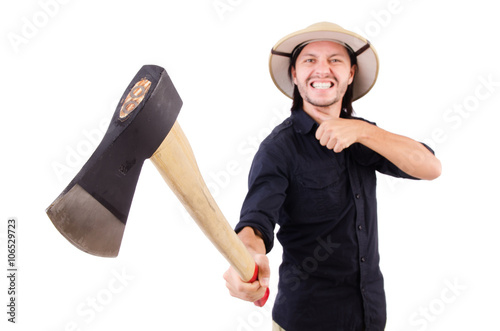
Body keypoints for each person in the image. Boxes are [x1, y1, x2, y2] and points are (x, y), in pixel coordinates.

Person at [223, 22, 441, 331]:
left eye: (335, 60)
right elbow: (255, 222)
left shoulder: (365, 137)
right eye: (310, 60)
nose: (322, 69)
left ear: (350, 74)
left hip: (371, 317)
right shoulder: (278, 149)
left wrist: (363, 131)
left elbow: (431, 167)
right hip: (306, 321)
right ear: (295, 75)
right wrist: (244, 256)